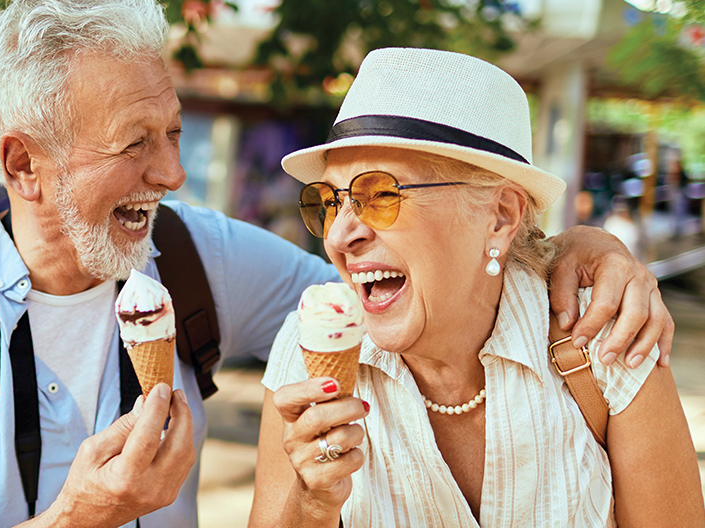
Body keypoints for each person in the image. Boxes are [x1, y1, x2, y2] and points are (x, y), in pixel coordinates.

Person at [0, 3, 672, 527]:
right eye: (137, 144)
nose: (171, 174)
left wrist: (579, 251)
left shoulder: (198, 255)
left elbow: (391, 297)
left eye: (172, 134)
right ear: (22, 164)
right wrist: (85, 513)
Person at [251, 48, 704, 527]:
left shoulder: (606, 337)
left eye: (381, 195)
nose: (341, 235)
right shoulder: (308, 348)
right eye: (329, 201)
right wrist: (311, 505)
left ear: (500, 217)